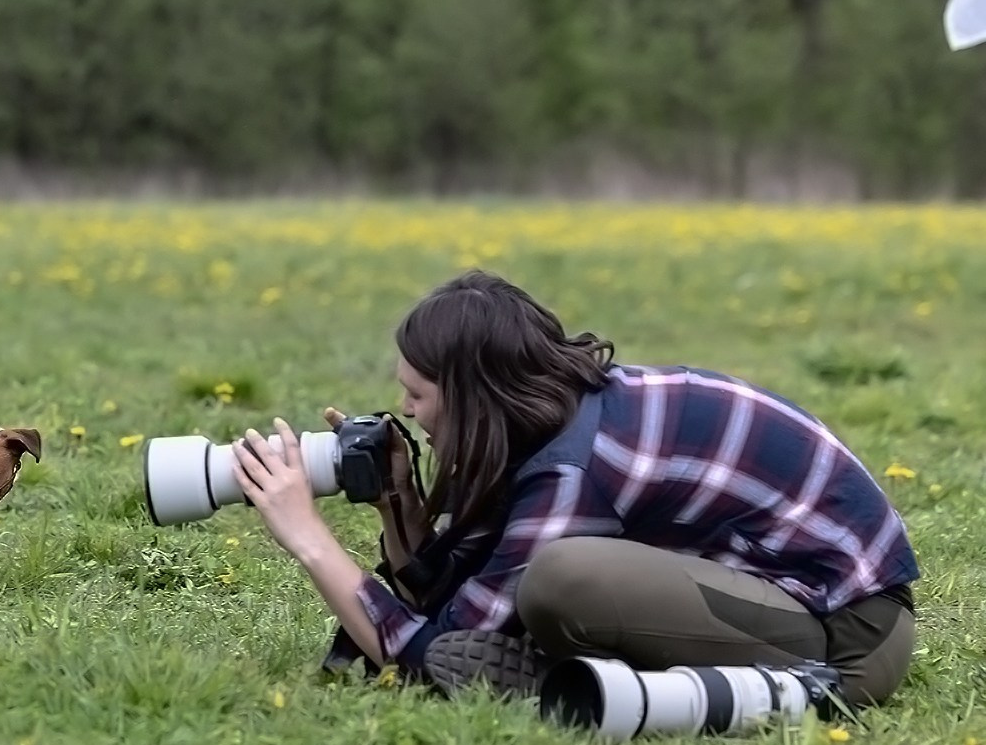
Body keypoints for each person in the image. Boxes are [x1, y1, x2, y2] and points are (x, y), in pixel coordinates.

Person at [231, 270, 919, 706]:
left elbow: (432, 650)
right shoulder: (553, 417)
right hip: (793, 600)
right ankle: (576, 672)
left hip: (849, 642)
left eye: (416, 394)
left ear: (475, 399)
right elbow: (457, 597)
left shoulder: (573, 472)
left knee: (565, 578)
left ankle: (585, 687)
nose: (405, 411)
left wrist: (309, 537)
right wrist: (398, 504)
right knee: (545, 583)